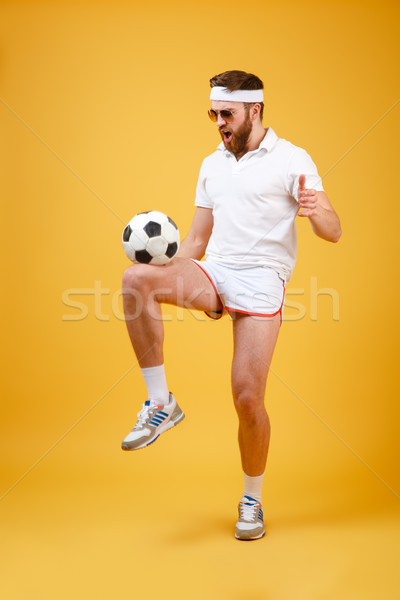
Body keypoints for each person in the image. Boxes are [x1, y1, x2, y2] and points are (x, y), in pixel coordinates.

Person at [121, 70, 342, 540]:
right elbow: (198, 239)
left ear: (254, 110)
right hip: (216, 270)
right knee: (135, 279)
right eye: (213, 113)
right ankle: (161, 403)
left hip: (263, 279)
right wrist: (169, 271)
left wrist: (315, 209)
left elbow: (333, 229)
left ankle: (251, 499)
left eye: (227, 113)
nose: (219, 122)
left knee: (246, 396)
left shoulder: (292, 158)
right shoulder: (212, 164)